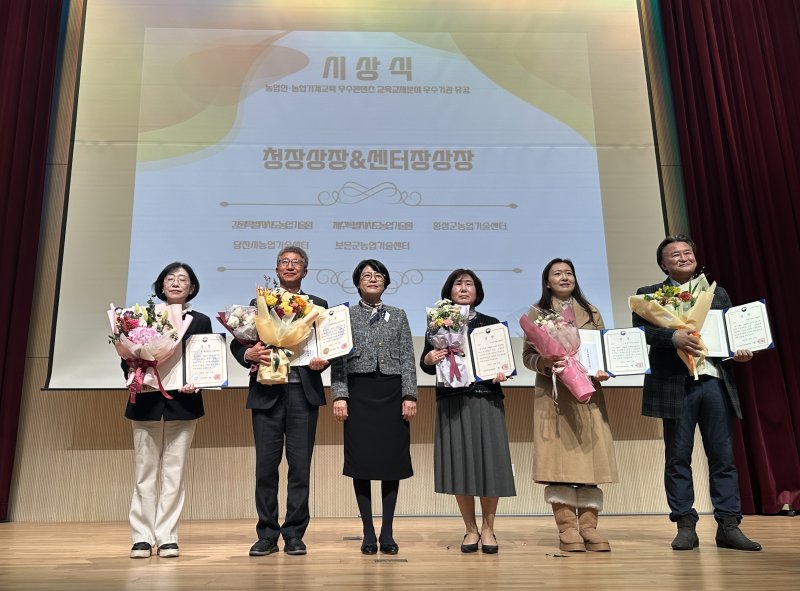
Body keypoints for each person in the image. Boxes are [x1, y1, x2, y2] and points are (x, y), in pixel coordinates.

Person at [632, 235, 761, 551]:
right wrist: (672, 337)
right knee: (677, 458)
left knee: (723, 457)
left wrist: (739, 352)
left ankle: (728, 526)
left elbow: (731, 336)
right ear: (664, 264)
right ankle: (685, 525)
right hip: (674, 385)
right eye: (674, 254)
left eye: (687, 252)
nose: (682, 257)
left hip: (714, 382)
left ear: (695, 257)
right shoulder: (649, 295)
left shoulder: (717, 294)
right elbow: (641, 332)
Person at [230, 246, 329, 557]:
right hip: (267, 393)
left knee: (300, 468)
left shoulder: (319, 306)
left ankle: (295, 534)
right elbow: (240, 343)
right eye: (284, 262)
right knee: (265, 468)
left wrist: (323, 361)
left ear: (305, 272)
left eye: (296, 262)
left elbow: (329, 345)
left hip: (304, 392)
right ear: (276, 270)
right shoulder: (258, 304)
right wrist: (248, 354)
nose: (290, 266)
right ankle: (267, 534)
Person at [521, 258, 618, 552]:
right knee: (559, 463)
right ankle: (567, 529)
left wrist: (604, 368)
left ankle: (589, 528)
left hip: (588, 394)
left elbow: (602, 349)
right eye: (557, 274)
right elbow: (528, 356)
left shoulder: (591, 312)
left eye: (569, 273)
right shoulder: (537, 313)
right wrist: (546, 362)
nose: (564, 277)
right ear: (547, 281)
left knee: (591, 459)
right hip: (554, 397)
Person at [420, 269, 515, 554]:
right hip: (453, 399)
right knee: (460, 464)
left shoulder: (491, 323)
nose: (463, 288)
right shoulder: (437, 322)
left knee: (489, 463)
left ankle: (488, 529)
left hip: (486, 398)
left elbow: (503, 362)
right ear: (449, 291)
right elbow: (426, 365)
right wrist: (429, 357)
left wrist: (502, 371)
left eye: (469, 284)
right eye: (458, 284)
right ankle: (470, 529)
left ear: (477, 291)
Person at [125, 262, 213, 559]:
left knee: (175, 473)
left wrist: (197, 381)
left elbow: (205, 359)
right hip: (147, 402)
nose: (176, 283)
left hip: (183, 405)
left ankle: (167, 537)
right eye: (170, 279)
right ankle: (141, 537)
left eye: (183, 279)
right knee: (144, 472)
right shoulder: (142, 317)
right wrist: (138, 368)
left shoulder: (200, 320)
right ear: (161, 285)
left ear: (192, 288)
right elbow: (126, 359)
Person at [330, 259, 417, 555]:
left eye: (378, 275)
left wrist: (410, 395)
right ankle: (368, 531)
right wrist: (339, 395)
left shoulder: (399, 315)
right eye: (366, 275)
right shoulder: (345, 316)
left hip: (393, 394)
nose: (372, 279)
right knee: (362, 465)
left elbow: (407, 357)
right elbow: (337, 360)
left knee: (392, 463)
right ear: (357, 283)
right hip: (358, 393)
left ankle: (388, 532)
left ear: (386, 282)